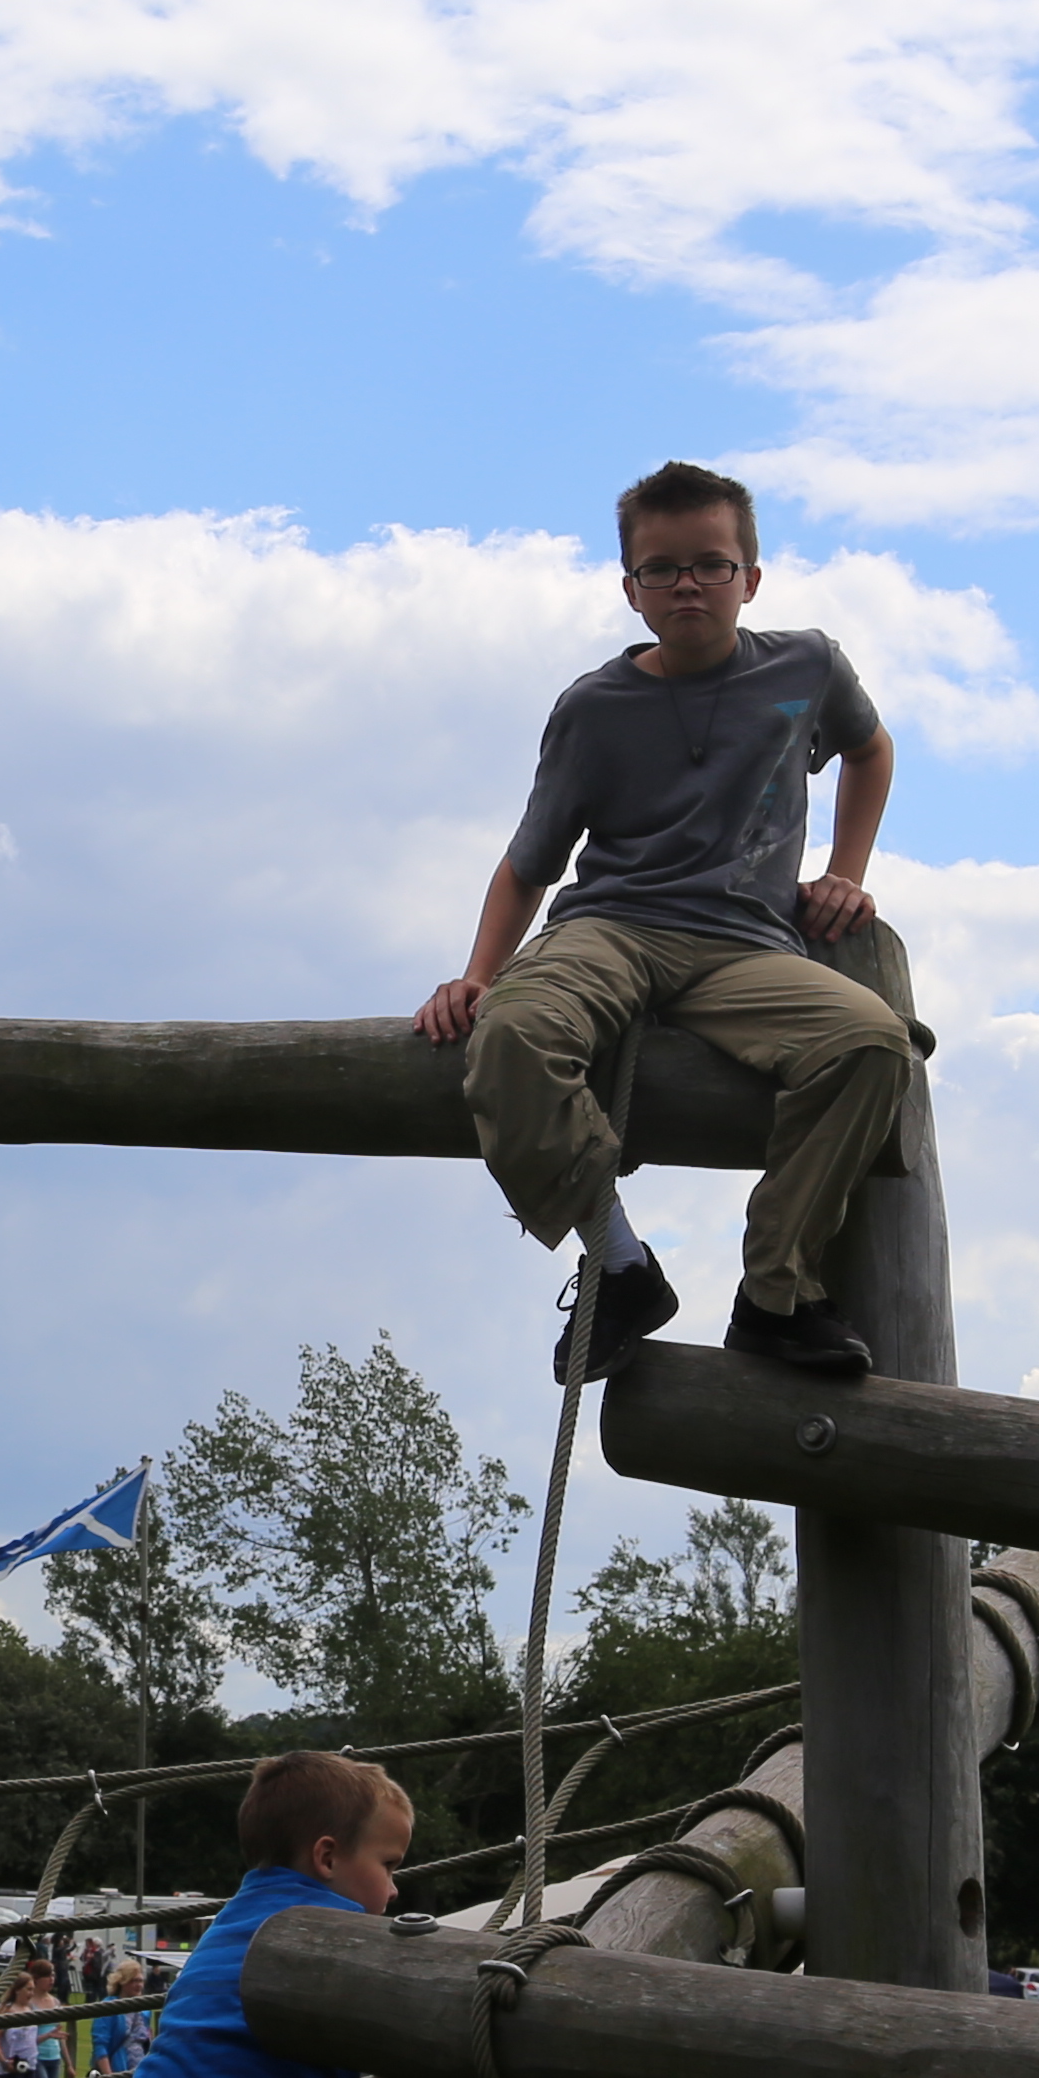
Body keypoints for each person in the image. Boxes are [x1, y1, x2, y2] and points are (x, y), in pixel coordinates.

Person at [410, 460, 916, 1387]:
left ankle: (778, 1296)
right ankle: (619, 1264)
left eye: (712, 564)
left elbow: (870, 749)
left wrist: (846, 873)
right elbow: (529, 863)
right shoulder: (595, 708)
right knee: (514, 1032)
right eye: (662, 568)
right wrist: (479, 974)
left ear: (750, 580)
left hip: (745, 942)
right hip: (613, 926)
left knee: (873, 1044)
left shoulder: (807, 667)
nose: (688, 582)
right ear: (632, 591)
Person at [103, 1752, 409, 2078]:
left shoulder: (228, 1920)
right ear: (327, 1858)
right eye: (388, 1866)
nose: (393, 1890)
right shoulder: (345, 1937)